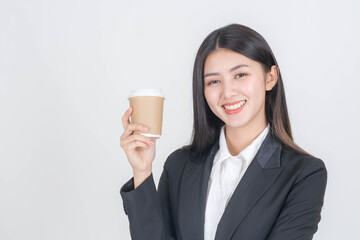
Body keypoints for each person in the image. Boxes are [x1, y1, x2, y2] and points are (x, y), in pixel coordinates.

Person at [119, 23, 327, 240]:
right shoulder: (179, 165)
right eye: (214, 81)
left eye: (240, 75)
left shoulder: (304, 174)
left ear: (270, 78)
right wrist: (142, 171)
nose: (227, 92)